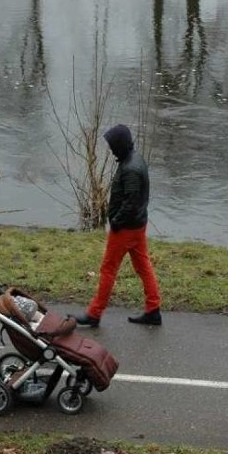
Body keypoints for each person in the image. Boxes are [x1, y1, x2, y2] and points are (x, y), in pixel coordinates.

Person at [74, 124, 162, 327]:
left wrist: (116, 221)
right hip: (138, 225)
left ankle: (94, 314)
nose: (111, 149)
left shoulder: (130, 169)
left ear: (120, 145)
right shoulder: (135, 159)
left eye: (112, 145)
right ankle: (153, 309)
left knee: (108, 269)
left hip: (126, 229)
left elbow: (130, 202)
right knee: (143, 266)